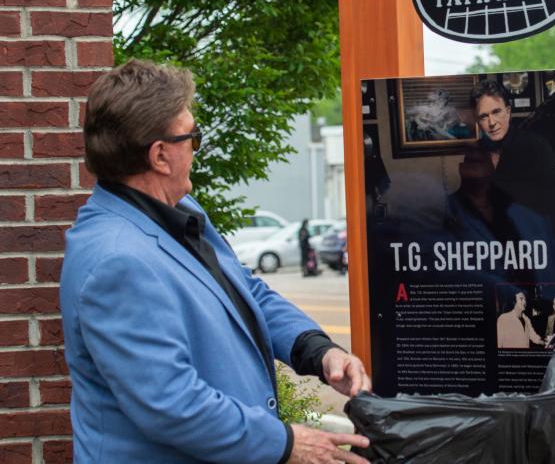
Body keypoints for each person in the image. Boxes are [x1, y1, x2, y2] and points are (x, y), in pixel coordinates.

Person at [61, 60, 372, 464]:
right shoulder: (117, 260)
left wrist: (317, 350)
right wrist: (286, 443)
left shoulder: (177, 209)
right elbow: (170, 402)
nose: (195, 148)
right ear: (160, 156)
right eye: (193, 136)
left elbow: (245, 289)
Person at [470, 80, 555, 218]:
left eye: (496, 112)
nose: (492, 123)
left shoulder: (536, 146)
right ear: (477, 120)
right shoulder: (475, 152)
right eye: (484, 116)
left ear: (508, 112)